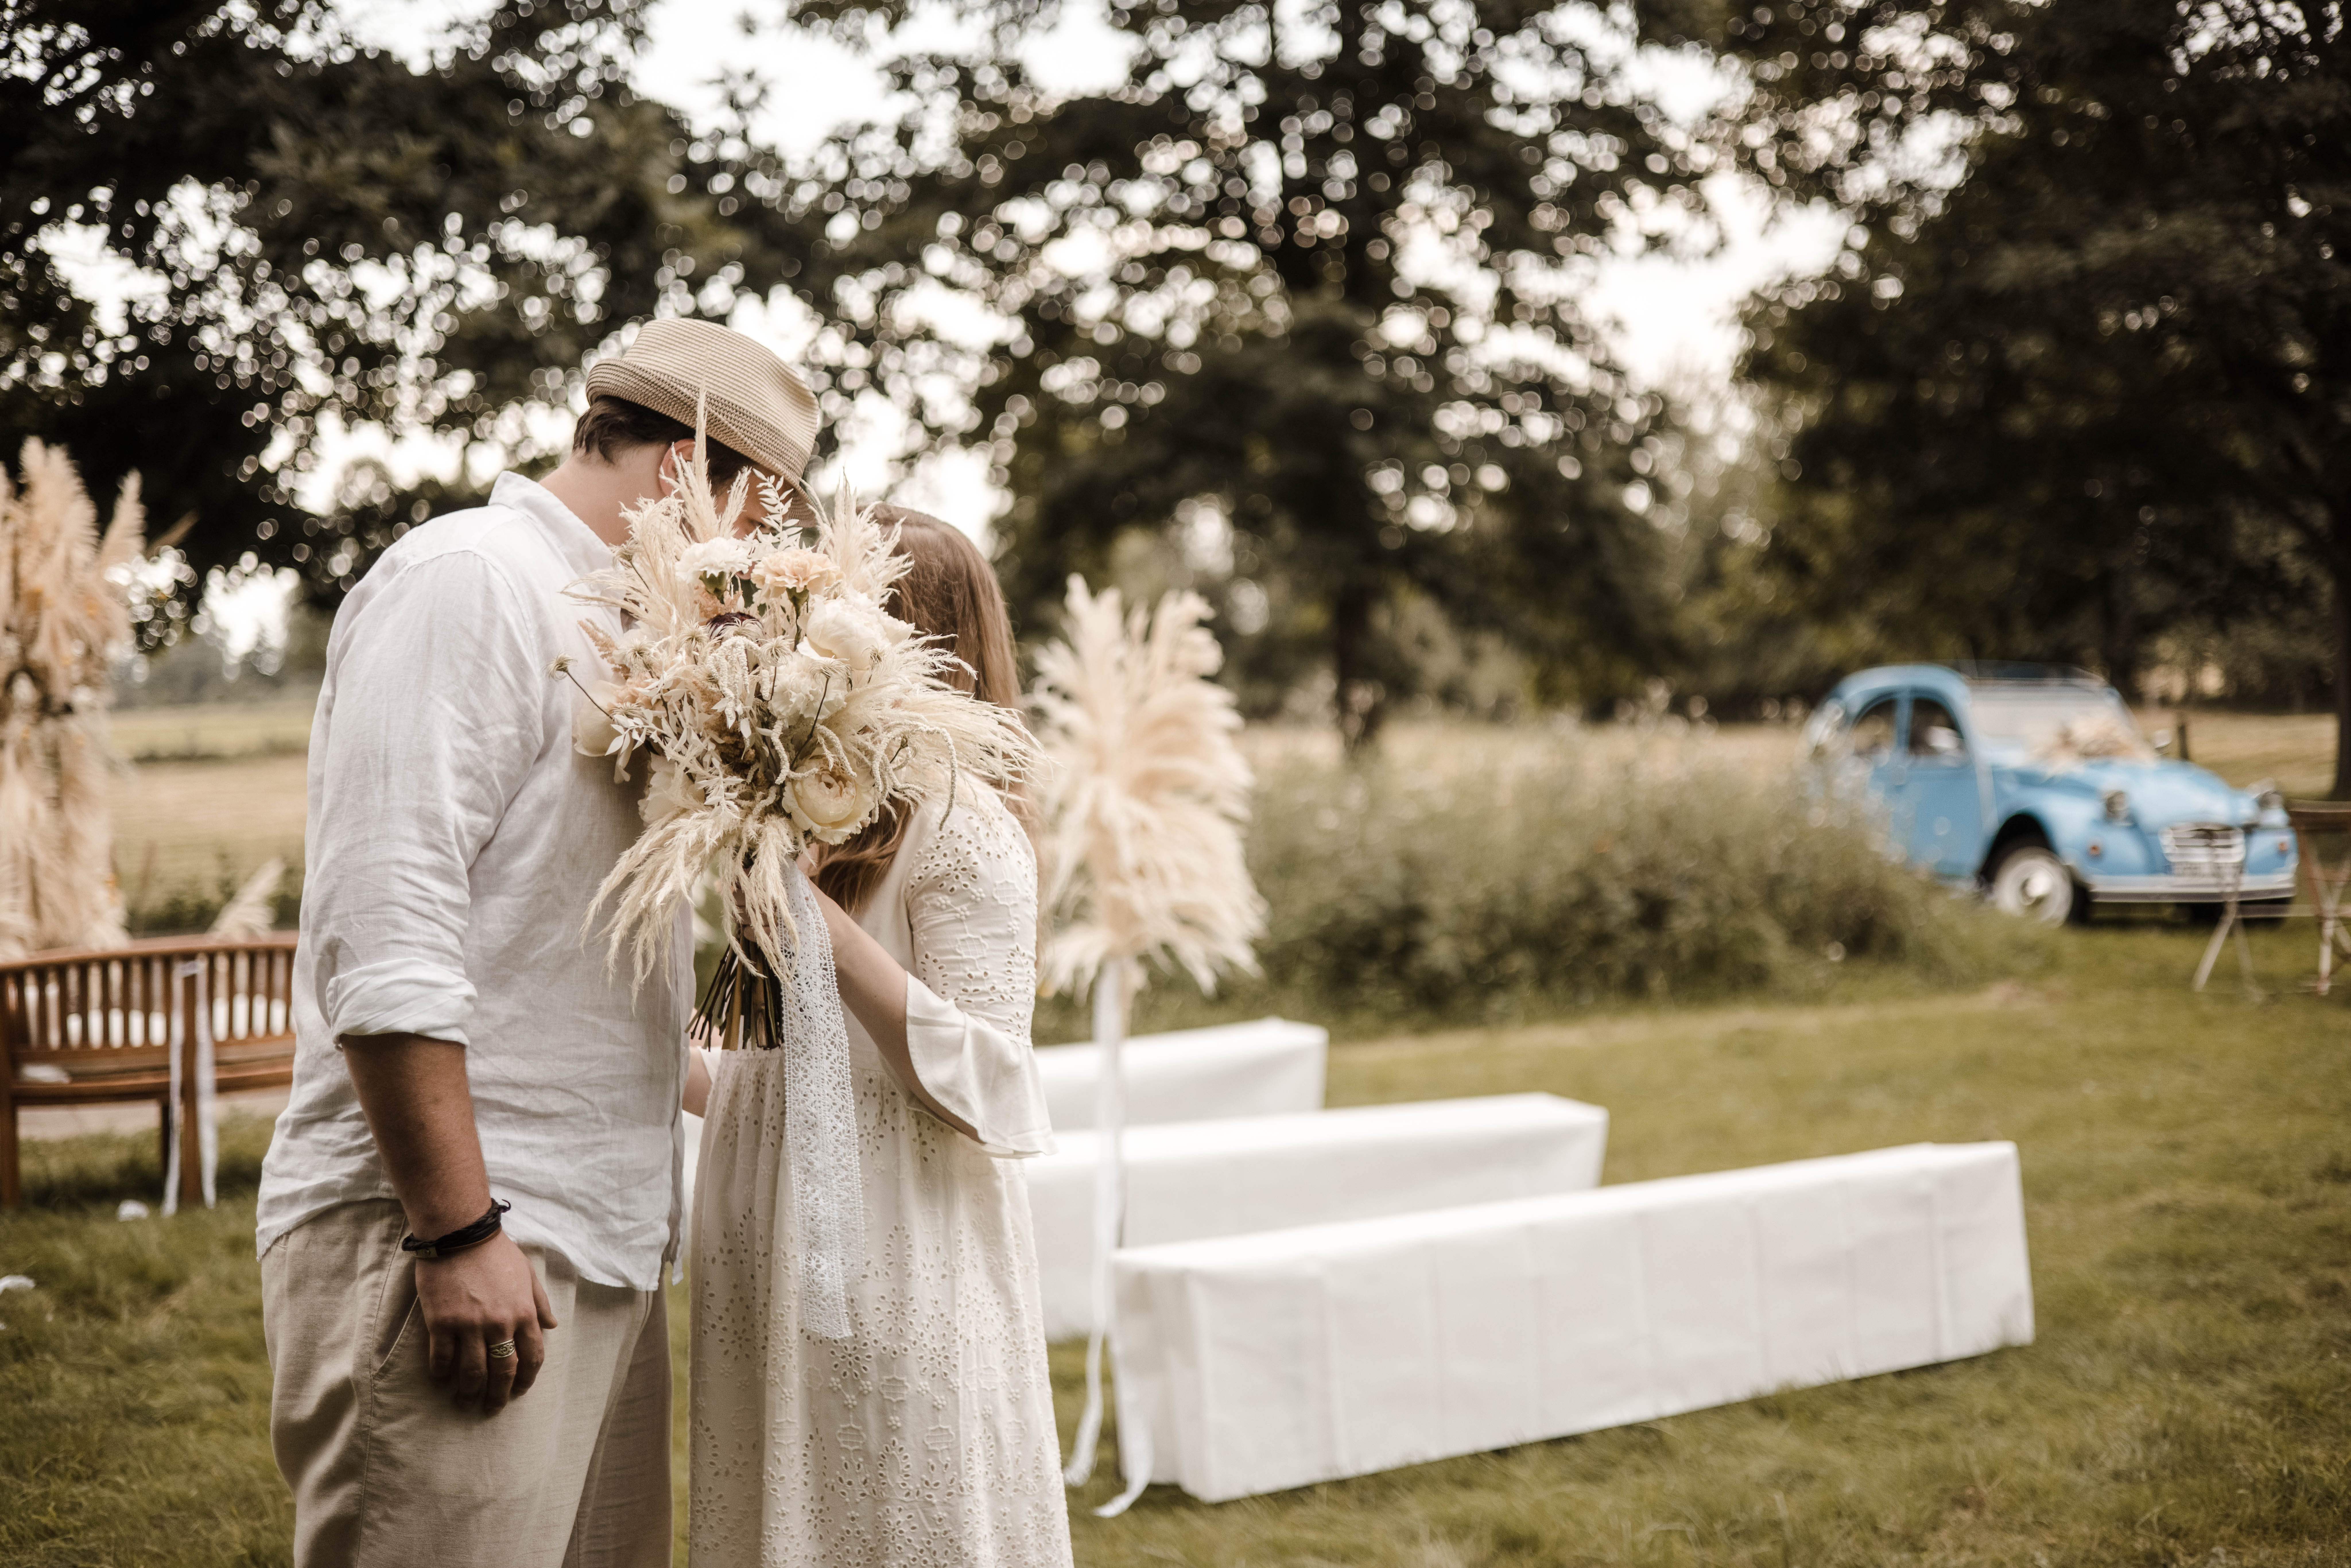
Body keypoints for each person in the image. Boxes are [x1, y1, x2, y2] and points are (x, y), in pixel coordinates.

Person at [255, 318, 820, 1568]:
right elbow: (384, 924)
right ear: (688, 471)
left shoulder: (638, 627)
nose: (760, 551)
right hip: (459, 1230)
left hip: (602, 1232)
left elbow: (582, 946)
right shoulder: (472, 581)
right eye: (760, 511)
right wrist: (458, 1230)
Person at [682, 508, 1076, 1567]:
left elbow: (992, 1085)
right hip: (767, 1234)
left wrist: (820, 931)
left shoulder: (967, 824)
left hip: (899, 1243)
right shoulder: (806, 818)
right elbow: (784, 1066)